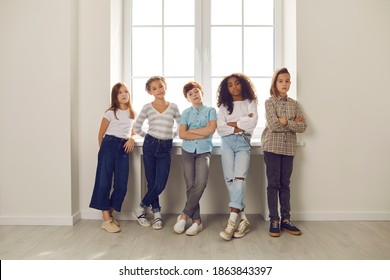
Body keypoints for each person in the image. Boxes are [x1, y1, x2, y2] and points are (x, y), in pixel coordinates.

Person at [261, 67, 307, 237]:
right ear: (275, 83)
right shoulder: (269, 102)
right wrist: (292, 123)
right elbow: (273, 125)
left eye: (287, 81)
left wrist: (285, 122)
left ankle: (286, 220)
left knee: (285, 185)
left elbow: (302, 127)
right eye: (281, 81)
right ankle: (274, 219)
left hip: (289, 149)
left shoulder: (295, 104)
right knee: (273, 184)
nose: (284, 84)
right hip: (272, 148)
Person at [132, 76, 181, 230]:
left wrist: (169, 137)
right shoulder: (147, 107)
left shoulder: (173, 107)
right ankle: (157, 214)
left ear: (165, 86)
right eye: (154, 88)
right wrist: (150, 138)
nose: (158, 90)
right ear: (150, 92)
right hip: (150, 145)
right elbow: (137, 127)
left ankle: (140, 209)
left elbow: (181, 127)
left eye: (160, 86)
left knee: (160, 183)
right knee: (152, 182)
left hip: (166, 147)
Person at [89, 82, 136, 233]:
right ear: (115, 96)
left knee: (121, 185)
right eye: (120, 92)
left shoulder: (131, 113)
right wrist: (103, 153)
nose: (123, 95)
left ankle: (109, 213)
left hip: (124, 147)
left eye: (126, 92)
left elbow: (133, 132)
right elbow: (100, 134)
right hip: (108, 145)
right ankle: (105, 219)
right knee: (104, 182)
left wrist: (131, 139)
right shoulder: (110, 112)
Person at [216, 73, 258, 241]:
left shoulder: (251, 103)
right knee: (230, 180)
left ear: (243, 85)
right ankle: (244, 220)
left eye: (237, 83)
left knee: (239, 179)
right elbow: (220, 128)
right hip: (226, 143)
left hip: (243, 143)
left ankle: (231, 222)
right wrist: (240, 124)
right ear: (226, 89)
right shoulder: (223, 106)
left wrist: (232, 123)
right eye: (230, 85)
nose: (234, 87)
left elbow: (252, 123)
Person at [173, 81, 217, 236]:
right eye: (190, 94)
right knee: (190, 185)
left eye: (196, 91)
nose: (194, 95)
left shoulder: (211, 110)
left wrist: (194, 131)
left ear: (201, 92)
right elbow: (182, 134)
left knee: (201, 183)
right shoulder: (186, 113)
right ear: (187, 98)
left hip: (204, 151)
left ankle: (184, 215)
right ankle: (197, 221)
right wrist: (202, 131)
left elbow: (211, 130)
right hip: (187, 151)